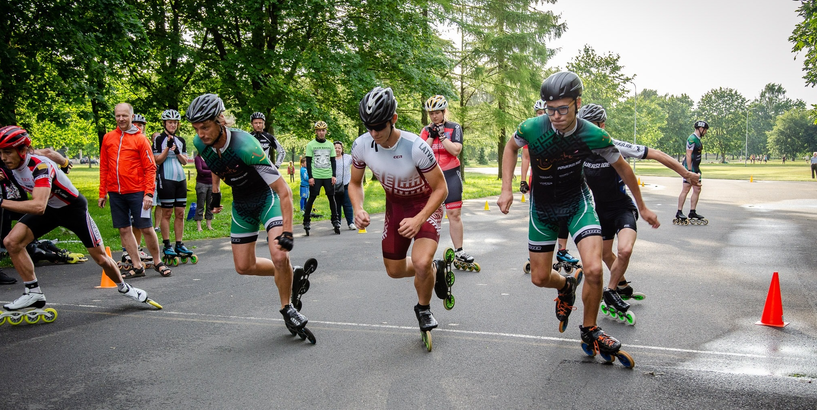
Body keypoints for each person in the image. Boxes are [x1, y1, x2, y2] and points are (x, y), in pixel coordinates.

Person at [497, 71, 658, 364]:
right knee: (539, 277)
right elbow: (511, 148)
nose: (556, 116)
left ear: (577, 103)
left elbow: (624, 168)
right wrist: (507, 188)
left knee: (594, 270)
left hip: (578, 204)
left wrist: (642, 207)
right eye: (550, 109)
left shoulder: (593, 134)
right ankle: (565, 286)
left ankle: (590, 328)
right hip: (542, 208)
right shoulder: (532, 127)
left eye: (563, 108)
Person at [187, 93, 314, 341]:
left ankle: (287, 307)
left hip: (267, 199)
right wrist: (215, 194)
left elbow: (284, 190)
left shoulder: (246, 145)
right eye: (196, 128)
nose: (200, 133)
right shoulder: (201, 144)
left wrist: (288, 231)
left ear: (220, 120)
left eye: (205, 127)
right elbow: (215, 165)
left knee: (279, 255)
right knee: (244, 266)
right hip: (242, 204)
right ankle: (292, 272)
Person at [0, 126, 160, 315]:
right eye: (1, 152)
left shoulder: (40, 166)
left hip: (72, 209)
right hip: (51, 209)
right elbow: (52, 153)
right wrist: (65, 162)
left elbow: (37, 207)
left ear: (22, 150)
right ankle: (33, 292)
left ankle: (125, 287)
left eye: (7, 152)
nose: (3, 157)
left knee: (101, 258)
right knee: (11, 242)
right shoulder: (12, 162)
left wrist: (2, 202)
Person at [349, 86, 451, 351]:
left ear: (393, 119)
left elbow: (441, 189)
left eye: (379, 126)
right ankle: (434, 271)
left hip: (425, 204)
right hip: (395, 207)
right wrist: (358, 208)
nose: (373, 133)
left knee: (420, 261)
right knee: (394, 271)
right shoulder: (362, 145)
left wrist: (419, 219)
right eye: (368, 126)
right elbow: (355, 183)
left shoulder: (415, 146)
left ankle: (424, 308)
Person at [578, 103, 700, 323]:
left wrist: (686, 173)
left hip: (623, 207)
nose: (585, 131)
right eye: (582, 126)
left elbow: (656, 153)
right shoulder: (577, 149)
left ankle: (611, 290)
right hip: (601, 211)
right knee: (606, 254)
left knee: (624, 250)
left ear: (602, 125)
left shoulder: (611, 145)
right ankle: (622, 285)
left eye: (590, 126)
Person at [99, 103, 170, 278]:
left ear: (131, 117)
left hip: (137, 191)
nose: (121, 119)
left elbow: (150, 168)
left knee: (145, 227)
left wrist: (148, 193)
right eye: (118, 116)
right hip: (116, 192)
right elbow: (104, 167)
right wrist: (103, 192)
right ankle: (137, 265)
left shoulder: (140, 139)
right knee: (124, 229)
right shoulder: (108, 138)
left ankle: (157, 261)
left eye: (124, 115)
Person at [520, 100, 578, 273]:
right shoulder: (531, 131)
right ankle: (536, 253)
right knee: (539, 215)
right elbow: (525, 157)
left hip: (561, 180)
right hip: (539, 180)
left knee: (563, 214)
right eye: (538, 112)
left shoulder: (562, 130)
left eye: (543, 112)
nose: (541, 116)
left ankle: (561, 251)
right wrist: (523, 180)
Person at [420, 95, 476, 269]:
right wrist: (430, 136)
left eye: (437, 113)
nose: (434, 117)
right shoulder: (426, 129)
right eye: (431, 114)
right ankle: (423, 253)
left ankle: (459, 251)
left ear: (444, 112)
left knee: (454, 214)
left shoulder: (454, 127)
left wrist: (443, 137)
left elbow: (456, 150)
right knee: (428, 215)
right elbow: (420, 153)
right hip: (431, 176)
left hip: (451, 174)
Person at [154, 109, 194, 264]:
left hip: (180, 178)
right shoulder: (159, 139)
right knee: (167, 212)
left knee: (180, 213)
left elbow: (184, 161)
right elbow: (157, 161)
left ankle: (179, 243)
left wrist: (176, 150)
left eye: (175, 122)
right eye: (170, 122)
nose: (172, 125)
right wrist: (166, 148)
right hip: (166, 177)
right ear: (165, 123)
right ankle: (167, 244)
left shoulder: (181, 140)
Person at [303, 120, 339, 235]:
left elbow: (333, 161)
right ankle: (306, 220)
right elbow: (308, 162)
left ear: (326, 131)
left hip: (328, 175)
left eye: (323, 130)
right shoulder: (311, 145)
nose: (321, 133)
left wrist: (334, 175)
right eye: (319, 131)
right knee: (312, 197)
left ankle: (335, 220)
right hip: (316, 176)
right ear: (316, 132)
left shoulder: (330, 145)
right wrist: (310, 177)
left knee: (331, 198)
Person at [676, 120, 708, 224]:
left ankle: (692, 211)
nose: (706, 132)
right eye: (705, 130)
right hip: (690, 168)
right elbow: (688, 154)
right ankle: (679, 211)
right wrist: (689, 171)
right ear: (701, 129)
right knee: (686, 189)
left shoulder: (698, 139)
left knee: (697, 188)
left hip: (696, 168)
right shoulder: (692, 139)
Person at [333, 140, 355, 230]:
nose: (337, 150)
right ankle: (338, 223)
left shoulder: (347, 157)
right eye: (335, 148)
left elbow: (357, 161)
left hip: (346, 185)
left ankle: (351, 223)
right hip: (334, 185)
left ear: (342, 149)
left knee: (347, 204)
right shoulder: (330, 158)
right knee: (336, 205)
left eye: (339, 148)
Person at [194, 152, 214, 231]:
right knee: (200, 204)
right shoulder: (198, 158)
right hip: (201, 184)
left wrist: (210, 172)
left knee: (210, 205)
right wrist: (211, 172)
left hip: (211, 184)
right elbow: (200, 171)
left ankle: (209, 224)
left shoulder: (211, 159)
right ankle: (199, 226)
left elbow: (215, 169)